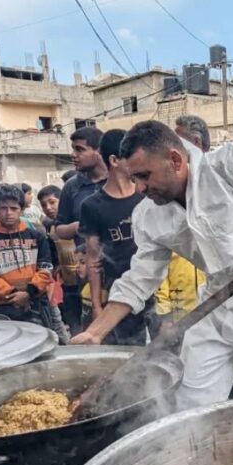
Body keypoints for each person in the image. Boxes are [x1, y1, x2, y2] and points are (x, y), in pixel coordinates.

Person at [72, 120, 233, 410]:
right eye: (133, 178)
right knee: (190, 404)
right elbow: (139, 278)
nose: (138, 188)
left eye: (144, 176)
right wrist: (96, 331)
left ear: (175, 161)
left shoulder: (228, 166)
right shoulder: (149, 216)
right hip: (216, 306)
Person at [174, 114, 233, 398]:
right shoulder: (164, 199)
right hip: (216, 300)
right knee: (196, 392)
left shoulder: (229, 167)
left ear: (193, 145)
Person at [79, 129, 150, 346]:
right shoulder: (92, 206)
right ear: (115, 160)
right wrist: (98, 305)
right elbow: (93, 258)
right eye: (130, 157)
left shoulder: (146, 195)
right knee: (130, 353)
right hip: (118, 293)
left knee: (164, 351)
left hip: (156, 288)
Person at [0, 185, 55, 326]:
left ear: (22, 209)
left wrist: (28, 293)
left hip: (37, 301)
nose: (8, 213)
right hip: (5, 305)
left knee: (47, 338)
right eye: (3, 208)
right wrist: (13, 294)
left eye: (14, 208)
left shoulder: (36, 236)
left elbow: (46, 268)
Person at [38, 184, 82, 335]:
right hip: (68, 285)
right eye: (44, 205)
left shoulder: (78, 221)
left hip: (87, 283)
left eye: (52, 202)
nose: (48, 207)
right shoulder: (49, 228)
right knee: (74, 323)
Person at [52, 128, 107, 242]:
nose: (73, 155)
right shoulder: (71, 186)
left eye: (80, 149)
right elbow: (59, 228)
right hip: (87, 257)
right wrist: (77, 227)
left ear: (99, 150)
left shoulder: (118, 181)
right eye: (73, 149)